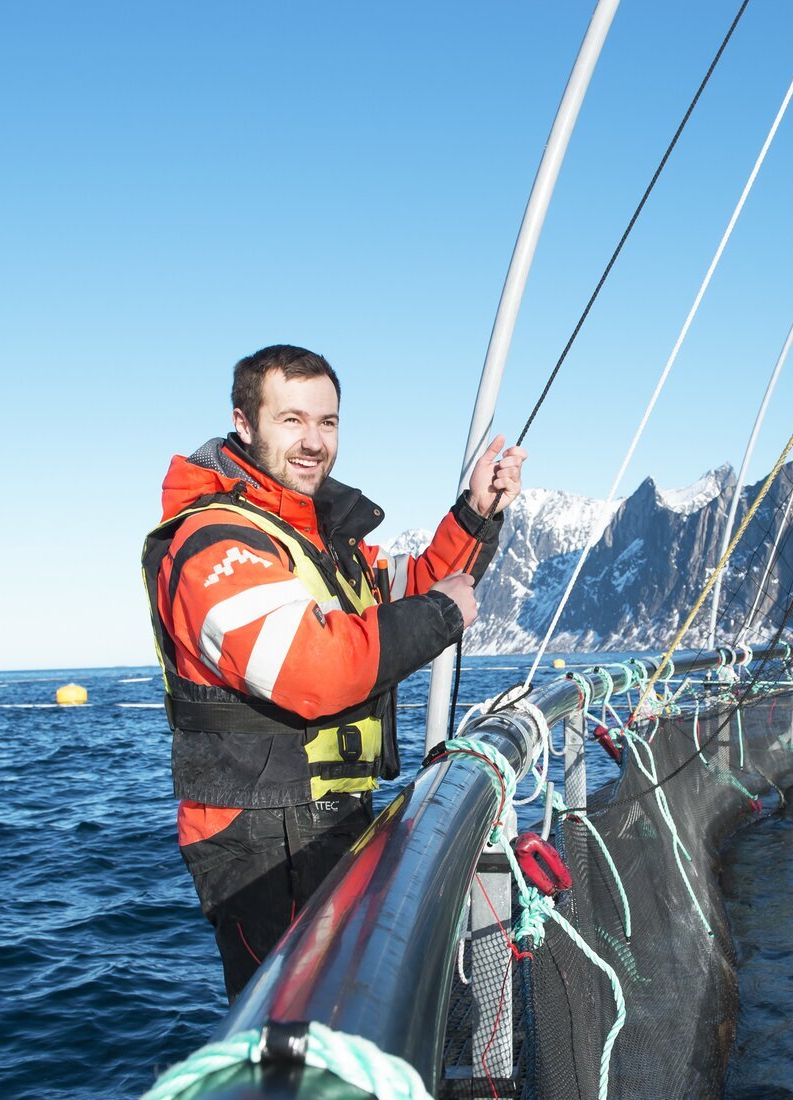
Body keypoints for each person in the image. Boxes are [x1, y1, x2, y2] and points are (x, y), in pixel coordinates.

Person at [142, 344, 526, 1001]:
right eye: (291, 420)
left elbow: (411, 588)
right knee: (290, 1019)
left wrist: (475, 512)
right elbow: (309, 668)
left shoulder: (321, 541)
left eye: (327, 422)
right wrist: (440, 615)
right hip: (263, 839)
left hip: (330, 817)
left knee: (342, 1000)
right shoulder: (215, 540)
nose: (314, 441)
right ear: (244, 424)